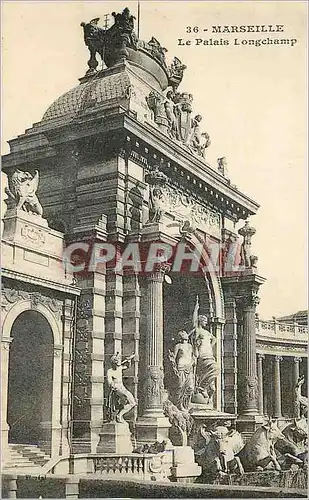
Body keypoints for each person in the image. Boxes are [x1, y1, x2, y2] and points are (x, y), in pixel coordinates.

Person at [191, 315, 219, 406]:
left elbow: (214, 339)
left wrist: (210, 346)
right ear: (200, 321)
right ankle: (202, 387)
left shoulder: (207, 332)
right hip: (202, 354)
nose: (206, 322)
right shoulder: (197, 330)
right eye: (205, 321)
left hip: (209, 353)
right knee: (215, 368)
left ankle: (203, 387)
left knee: (215, 370)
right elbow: (192, 340)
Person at [168, 330, 195, 410]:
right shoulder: (178, 346)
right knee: (180, 386)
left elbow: (193, 357)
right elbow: (174, 357)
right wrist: (172, 359)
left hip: (189, 367)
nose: (184, 335)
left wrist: (192, 363)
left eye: (185, 333)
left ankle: (186, 404)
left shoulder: (190, 346)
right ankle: (179, 404)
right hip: (181, 367)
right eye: (182, 334)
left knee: (190, 387)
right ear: (180, 337)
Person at [106, 352, 136, 423]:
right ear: (113, 363)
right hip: (116, 388)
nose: (116, 365)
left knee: (133, 403)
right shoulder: (109, 371)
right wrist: (113, 385)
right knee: (125, 397)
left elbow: (127, 366)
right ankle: (118, 416)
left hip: (122, 387)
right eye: (115, 363)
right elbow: (109, 381)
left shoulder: (120, 368)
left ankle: (119, 415)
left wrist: (129, 360)